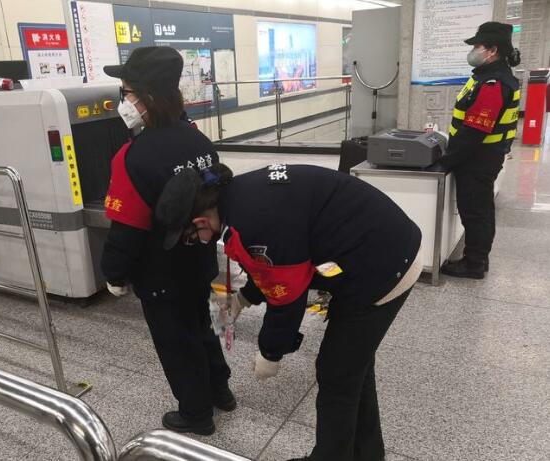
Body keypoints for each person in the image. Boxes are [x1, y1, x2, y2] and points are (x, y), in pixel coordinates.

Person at [155, 163, 423, 461]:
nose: (198, 241)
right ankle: (367, 454)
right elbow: (277, 262)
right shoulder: (239, 197)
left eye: (192, 236)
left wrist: (270, 352)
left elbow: (287, 297)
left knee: (336, 375)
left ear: (200, 221)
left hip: (381, 266)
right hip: (381, 245)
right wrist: (242, 298)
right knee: (352, 368)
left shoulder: (253, 219)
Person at [99, 46, 233, 436]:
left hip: (160, 274)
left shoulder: (133, 156)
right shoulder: (198, 140)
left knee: (176, 341)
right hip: (199, 261)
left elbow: (127, 228)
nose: (123, 101)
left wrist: (114, 274)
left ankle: (196, 413)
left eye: (126, 92)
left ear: (146, 96)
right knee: (201, 325)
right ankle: (221, 391)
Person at [439, 22, 521, 279]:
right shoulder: (488, 76)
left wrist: (447, 161)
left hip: (477, 159)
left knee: (475, 212)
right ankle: (479, 259)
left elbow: (474, 131)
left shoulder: (493, 83)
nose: (473, 50)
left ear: (492, 50)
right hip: (483, 156)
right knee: (482, 209)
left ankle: (474, 263)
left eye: (477, 46)